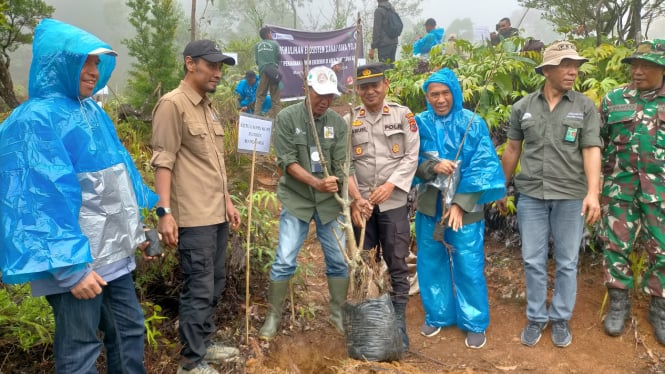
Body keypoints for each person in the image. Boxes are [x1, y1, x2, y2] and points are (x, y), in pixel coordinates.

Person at [0, 19, 158, 373]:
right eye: (85, 61)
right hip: (76, 264)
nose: (93, 71)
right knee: (81, 348)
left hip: (112, 255)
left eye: (97, 63)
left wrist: (142, 225)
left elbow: (123, 174)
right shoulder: (35, 120)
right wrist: (70, 268)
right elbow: (40, 201)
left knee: (129, 330)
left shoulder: (93, 112)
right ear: (58, 62)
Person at [498, 41, 602, 348]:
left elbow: (591, 149)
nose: (573, 71)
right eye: (565, 64)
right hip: (530, 194)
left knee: (568, 261)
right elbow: (513, 149)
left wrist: (593, 193)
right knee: (532, 259)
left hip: (571, 195)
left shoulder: (584, 107)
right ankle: (536, 317)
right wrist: (501, 187)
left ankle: (559, 318)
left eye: (576, 65)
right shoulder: (523, 107)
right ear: (546, 70)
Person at [151, 39, 242, 374]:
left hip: (216, 213)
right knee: (199, 287)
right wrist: (165, 212)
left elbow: (213, 164)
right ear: (191, 64)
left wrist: (228, 202)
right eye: (213, 65)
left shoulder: (206, 107)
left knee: (216, 282)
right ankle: (190, 362)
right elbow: (164, 161)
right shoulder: (172, 105)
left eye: (220, 67)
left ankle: (204, 341)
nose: (218, 73)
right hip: (193, 216)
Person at [414, 68, 505, 349]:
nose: (440, 99)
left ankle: (474, 321)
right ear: (427, 97)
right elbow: (407, 159)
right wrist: (431, 166)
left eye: (445, 93)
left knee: (468, 262)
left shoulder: (472, 123)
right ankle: (438, 314)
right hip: (430, 205)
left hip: (466, 209)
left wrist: (461, 205)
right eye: (434, 94)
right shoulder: (419, 123)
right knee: (431, 259)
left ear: (454, 93)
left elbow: (482, 167)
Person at [259, 66, 350, 340]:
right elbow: (287, 162)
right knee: (284, 260)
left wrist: (353, 200)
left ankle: (338, 316)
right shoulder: (287, 118)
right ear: (306, 91)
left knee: (338, 261)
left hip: (330, 203)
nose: (324, 101)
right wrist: (316, 183)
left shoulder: (337, 123)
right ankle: (273, 316)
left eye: (330, 97)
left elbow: (345, 167)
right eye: (319, 95)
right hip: (297, 199)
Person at [346, 63, 420, 351]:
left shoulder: (403, 115)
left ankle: (398, 326)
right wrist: (355, 198)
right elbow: (345, 163)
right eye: (364, 87)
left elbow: (411, 156)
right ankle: (368, 325)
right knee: (364, 263)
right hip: (362, 208)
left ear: (385, 85)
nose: (370, 91)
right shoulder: (350, 118)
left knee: (397, 264)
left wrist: (391, 185)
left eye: (375, 85)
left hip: (393, 203)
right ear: (358, 90)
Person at [599, 39, 665, 345]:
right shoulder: (613, 99)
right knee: (616, 246)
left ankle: (659, 308)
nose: (637, 72)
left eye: (646, 66)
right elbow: (596, 142)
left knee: (663, 249)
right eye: (634, 66)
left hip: (661, 193)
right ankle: (618, 304)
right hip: (619, 189)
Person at [254, 26, 281, 117]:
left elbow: (257, 61)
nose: (271, 35)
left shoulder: (257, 45)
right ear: (268, 34)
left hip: (263, 72)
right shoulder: (275, 44)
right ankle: (278, 120)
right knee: (275, 99)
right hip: (273, 72)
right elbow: (279, 58)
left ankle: (256, 117)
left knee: (260, 96)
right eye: (270, 33)